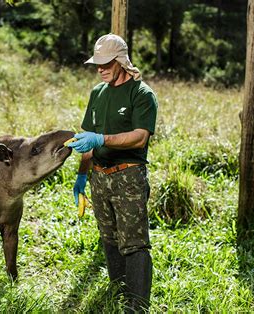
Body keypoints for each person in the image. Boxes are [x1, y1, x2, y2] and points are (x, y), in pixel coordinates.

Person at [67, 34, 158, 312]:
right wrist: (82, 177)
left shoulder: (141, 94)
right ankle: (118, 291)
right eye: (97, 64)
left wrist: (101, 139)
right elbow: (87, 139)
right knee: (109, 237)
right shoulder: (97, 92)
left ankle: (137, 305)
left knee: (134, 242)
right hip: (99, 176)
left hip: (127, 176)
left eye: (106, 63)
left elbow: (140, 137)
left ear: (121, 60)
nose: (101, 69)